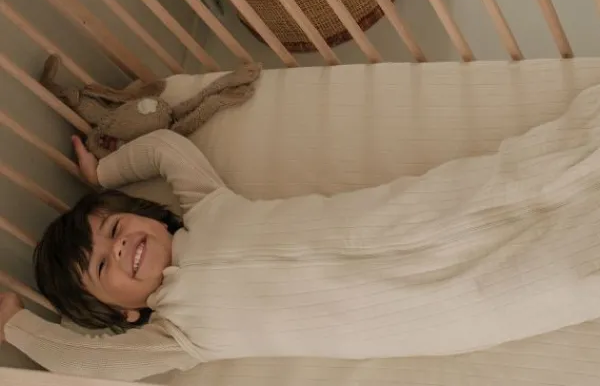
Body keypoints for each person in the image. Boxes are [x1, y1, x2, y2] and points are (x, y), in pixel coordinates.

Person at [2, 117, 600, 382]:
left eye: (113, 227)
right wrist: (14, 324)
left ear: (141, 215)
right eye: (102, 265)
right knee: (554, 278)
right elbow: (89, 363)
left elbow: (165, 147)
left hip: (410, 216)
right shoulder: (179, 335)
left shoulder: (206, 206)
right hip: (429, 307)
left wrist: (104, 171)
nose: (119, 246)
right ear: (124, 313)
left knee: (516, 178)